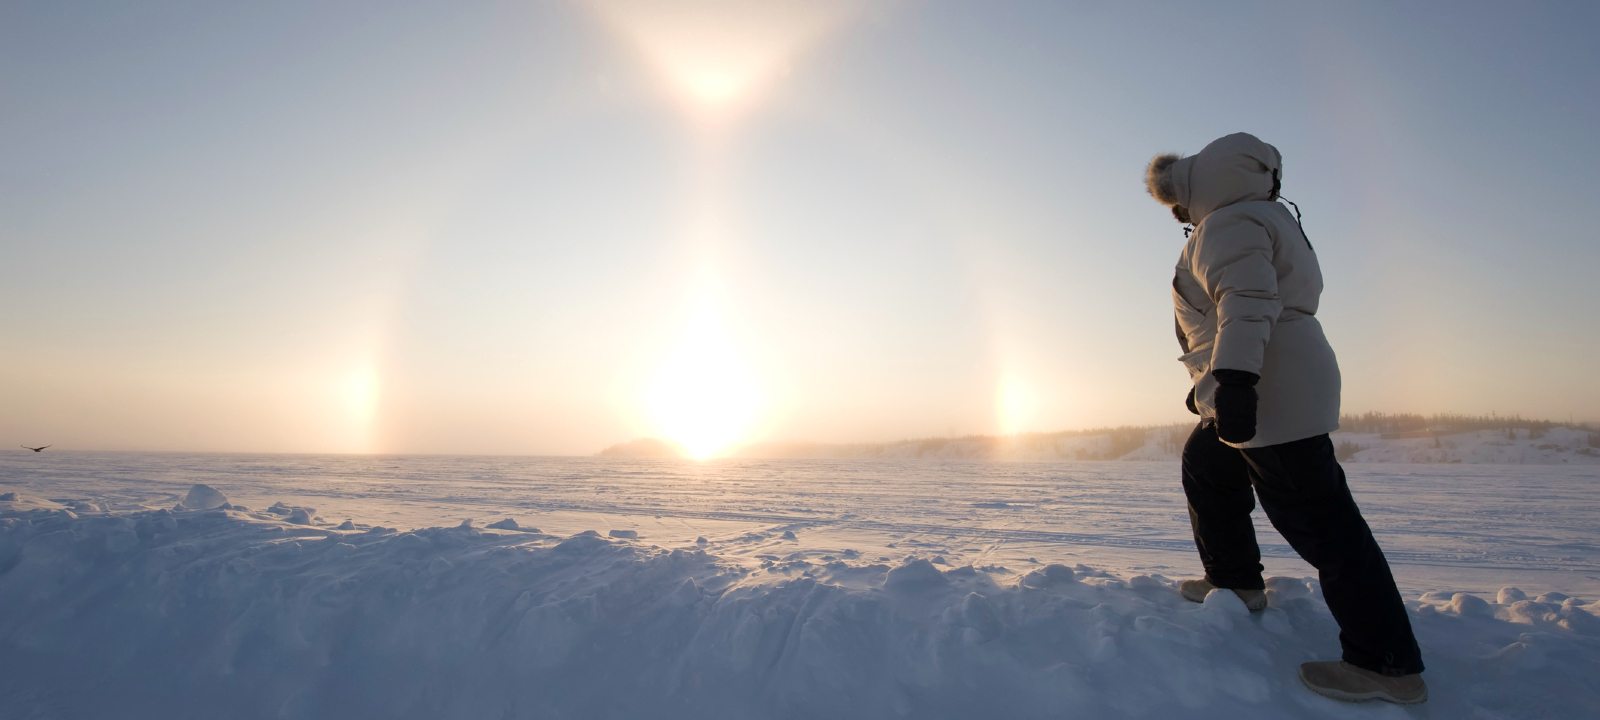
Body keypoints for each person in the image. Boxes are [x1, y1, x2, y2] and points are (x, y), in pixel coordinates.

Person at [1143, 133, 1426, 705]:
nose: (1178, 214)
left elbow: (1246, 301)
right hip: (1263, 375)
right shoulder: (1263, 214)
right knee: (1206, 462)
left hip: (1269, 387)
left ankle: (1387, 664)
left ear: (1197, 187)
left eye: (1178, 202)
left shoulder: (1226, 224)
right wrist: (1210, 383)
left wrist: (1239, 381)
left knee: (1325, 524)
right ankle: (1235, 579)